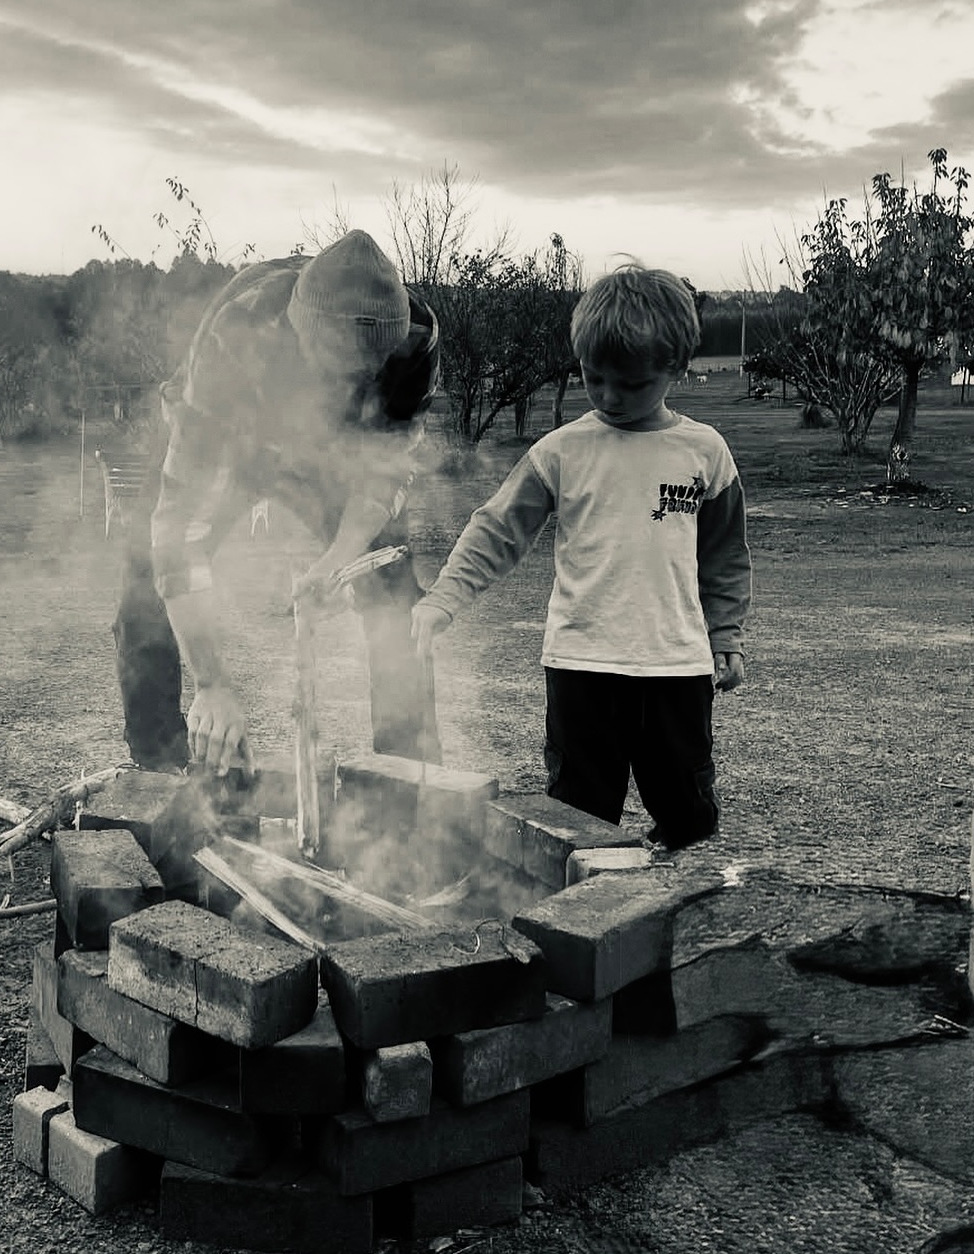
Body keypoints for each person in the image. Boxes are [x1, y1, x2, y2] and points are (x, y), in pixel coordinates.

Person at [412, 263, 750, 850]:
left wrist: (726, 636)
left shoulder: (706, 452)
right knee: (578, 821)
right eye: (595, 379)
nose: (611, 397)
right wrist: (444, 598)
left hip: (677, 670)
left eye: (632, 384)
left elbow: (724, 556)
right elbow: (496, 530)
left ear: (675, 367)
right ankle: (579, 927)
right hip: (582, 668)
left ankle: (671, 911)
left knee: (689, 815)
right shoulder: (561, 452)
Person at [115, 229, 441, 777]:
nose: (348, 387)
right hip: (230, 438)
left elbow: (385, 467)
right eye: (333, 367)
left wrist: (341, 553)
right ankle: (162, 769)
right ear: (297, 332)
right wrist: (213, 681)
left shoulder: (417, 338)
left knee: (391, 585)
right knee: (144, 577)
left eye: (365, 372)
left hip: (334, 456)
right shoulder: (238, 338)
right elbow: (179, 532)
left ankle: (406, 777)